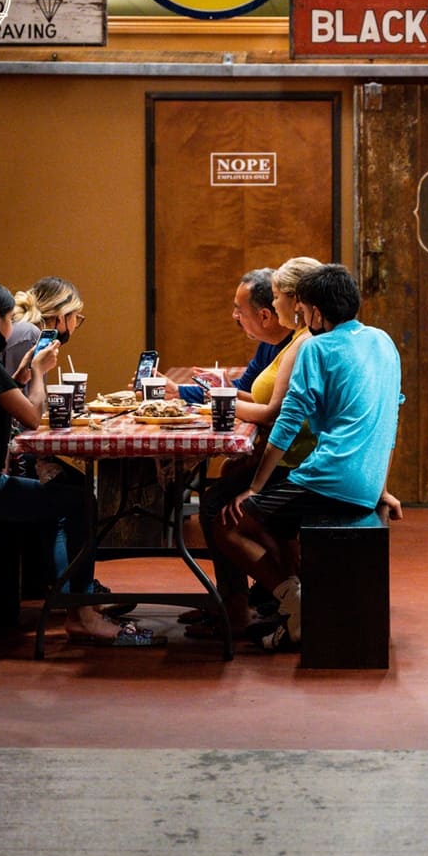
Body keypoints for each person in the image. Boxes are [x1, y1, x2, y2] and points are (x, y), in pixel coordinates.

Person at [0, 279, 159, 647]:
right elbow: (31, 417)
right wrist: (38, 374)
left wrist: (21, 374)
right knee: (81, 502)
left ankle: (77, 600)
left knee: (73, 496)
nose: (12, 325)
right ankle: (81, 613)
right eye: (10, 318)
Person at [217, 263, 403, 652]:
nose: (300, 318)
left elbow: (286, 423)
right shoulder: (383, 341)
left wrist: (254, 488)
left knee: (229, 523)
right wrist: (381, 488)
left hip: (329, 479)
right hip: (366, 482)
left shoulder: (316, 348)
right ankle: (294, 607)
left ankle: (296, 605)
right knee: (278, 524)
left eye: (301, 311)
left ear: (316, 312)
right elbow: (390, 419)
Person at [188, 256, 321, 640]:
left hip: (297, 461)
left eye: (277, 297)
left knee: (219, 510)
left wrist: (217, 403)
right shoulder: (291, 342)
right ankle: (267, 596)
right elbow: (264, 399)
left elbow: (275, 413)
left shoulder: (303, 344)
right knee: (225, 489)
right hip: (289, 455)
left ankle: (260, 602)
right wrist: (219, 393)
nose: (274, 307)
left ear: (294, 300)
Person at [170, 267, 292, 403]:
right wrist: (178, 391)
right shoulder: (269, 342)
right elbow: (245, 388)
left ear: (265, 316)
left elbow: (272, 410)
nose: (234, 315)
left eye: (239, 310)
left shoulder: (298, 347)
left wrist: (228, 397)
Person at [3, 276, 86, 385]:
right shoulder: (29, 335)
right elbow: (23, 395)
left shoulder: (29, 333)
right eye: (76, 316)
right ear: (61, 317)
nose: (75, 325)